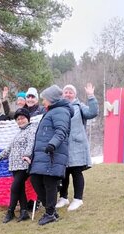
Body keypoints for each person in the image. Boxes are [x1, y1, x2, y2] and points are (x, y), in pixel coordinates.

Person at [29, 85, 73, 226]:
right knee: (35, 179)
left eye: (45, 99)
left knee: (49, 184)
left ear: (52, 99)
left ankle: (50, 213)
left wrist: (52, 144)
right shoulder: (52, 111)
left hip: (52, 153)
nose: (43, 102)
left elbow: (61, 131)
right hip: (43, 154)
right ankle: (51, 211)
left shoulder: (61, 111)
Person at [56, 83, 99, 211]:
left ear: (74, 95)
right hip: (62, 145)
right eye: (66, 92)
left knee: (76, 172)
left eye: (70, 92)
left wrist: (91, 96)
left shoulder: (79, 106)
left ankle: (78, 199)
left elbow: (92, 112)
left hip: (76, 145)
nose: (68, 94)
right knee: (63, 172)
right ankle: (63, 198)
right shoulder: (59, 108)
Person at [0, 108, 37, 223]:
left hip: (23, 165)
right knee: (20, 188)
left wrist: (27, 155)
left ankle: (10, 212)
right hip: (14, 166)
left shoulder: (31, 129)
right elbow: (9, 148)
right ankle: (24, 212)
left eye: (22, 118)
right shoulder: (19, 133)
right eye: (18, 119)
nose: (20, 121)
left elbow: (31, 143)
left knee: (14, 188)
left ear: (27, 118)